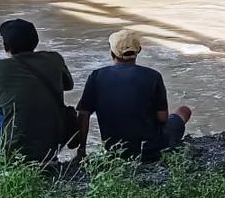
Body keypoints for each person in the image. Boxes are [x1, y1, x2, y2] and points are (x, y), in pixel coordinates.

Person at [0, 18, 74, 164]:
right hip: (52, 145)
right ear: (35, 41)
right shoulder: (54, 59)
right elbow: (68, 85)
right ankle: (41, 158)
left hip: (14, 148)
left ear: (6, 45)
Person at [75, 30, 192, 163]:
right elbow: (162, 117)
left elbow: (83, 114)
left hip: (115, 151)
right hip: (150, 150)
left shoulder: (96, 76)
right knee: (184, 110)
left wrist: (82, 149)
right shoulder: (153, 76)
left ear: (112, 52)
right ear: (139, 51)